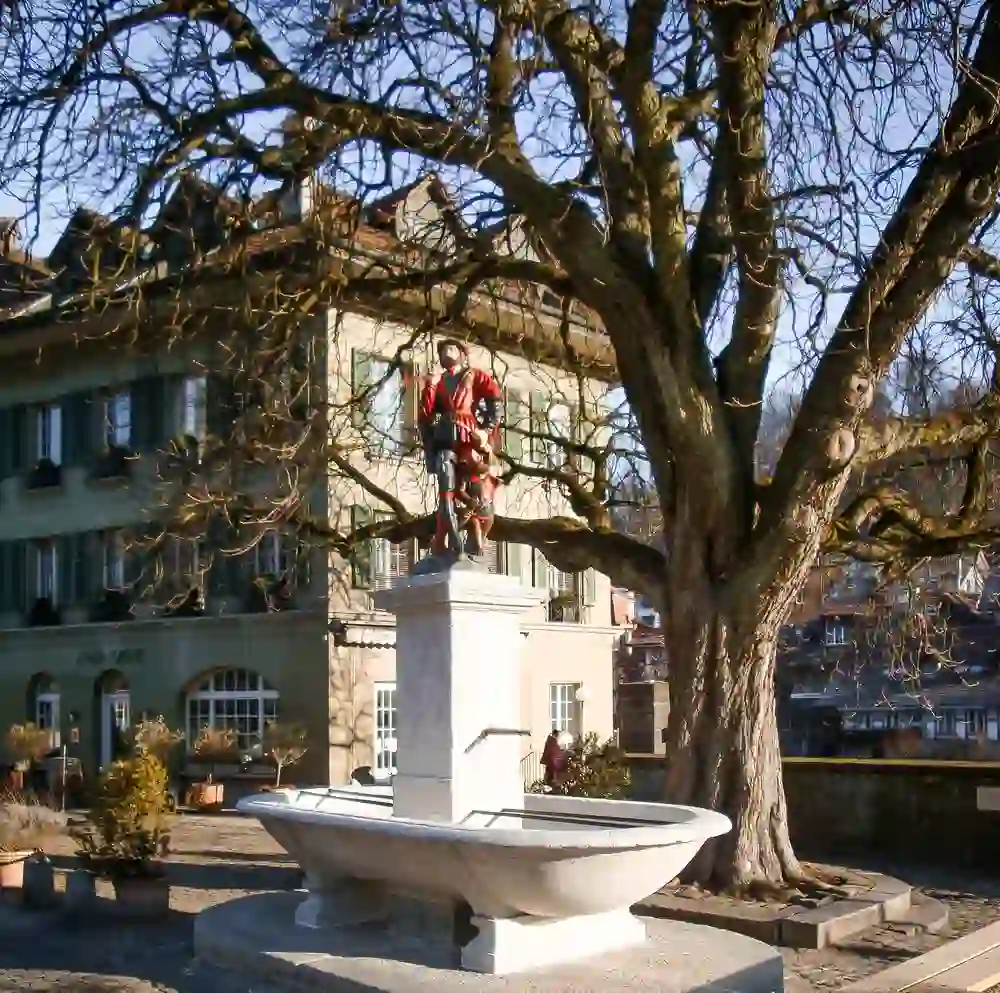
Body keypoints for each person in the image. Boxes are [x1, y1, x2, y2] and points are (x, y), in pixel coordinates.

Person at [418, 339, 503, 558]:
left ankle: (474, 534)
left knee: (476, 480)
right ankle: (444, 540)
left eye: (452, 347)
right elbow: (425, 415)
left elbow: (495, 399)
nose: (446, 352)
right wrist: (430, 385)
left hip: (469, 435)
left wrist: (486, 429)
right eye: (442, 350)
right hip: (445, 437)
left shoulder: (473, 375)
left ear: (461, 353)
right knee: (446, 489)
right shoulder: (438, 380)